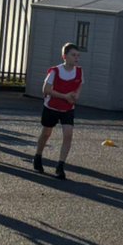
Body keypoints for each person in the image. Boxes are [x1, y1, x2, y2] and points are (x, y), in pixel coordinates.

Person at [34, 43, 83, 180]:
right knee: (46, 133)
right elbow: (46, 89)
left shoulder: (79, 72)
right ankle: (38, 156)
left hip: (68, 109)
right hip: (51, 107)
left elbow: (79, 85)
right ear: (64, 56)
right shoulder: (55, 71)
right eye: (73, 55)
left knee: (68, 135)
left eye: (78, 55)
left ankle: (60, 166)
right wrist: (64, 96)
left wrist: (76, 96)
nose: (76, 58)